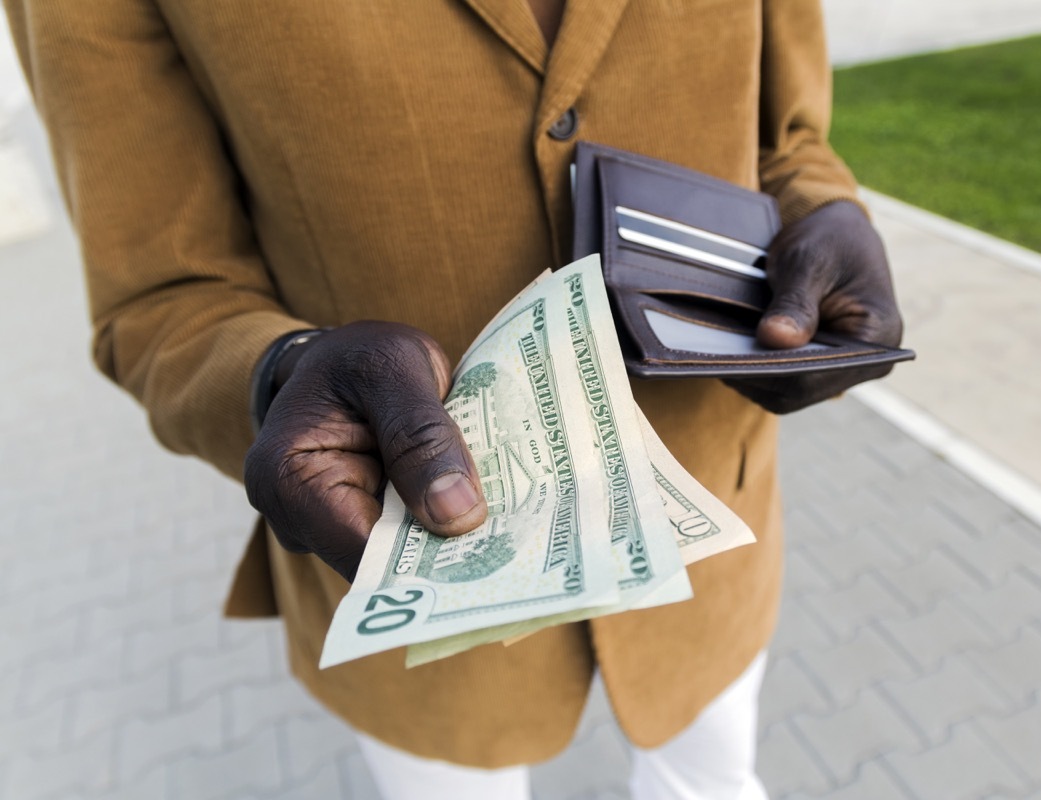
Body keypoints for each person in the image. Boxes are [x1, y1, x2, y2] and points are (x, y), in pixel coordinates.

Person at [4, 0, 902, 797]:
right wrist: (282, 369)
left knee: (712, 781)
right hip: (411, 561)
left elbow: (787, 138)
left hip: (711, 511)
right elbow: (157, 296)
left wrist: (829, 206)